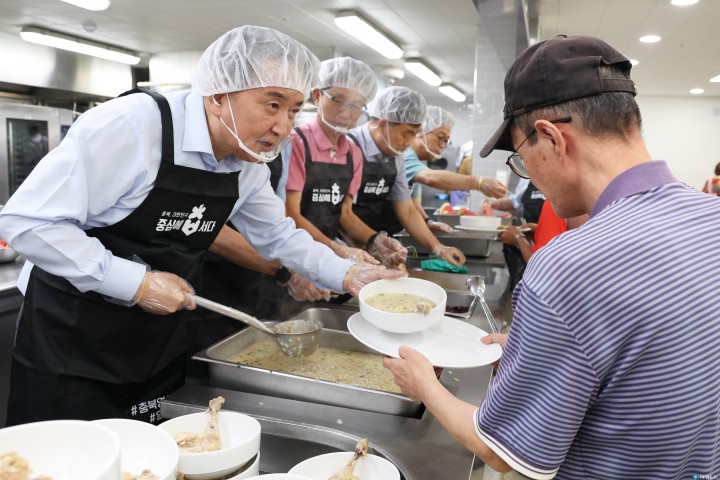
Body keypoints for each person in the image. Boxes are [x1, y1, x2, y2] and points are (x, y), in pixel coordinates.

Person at [0, 25, 402, 425]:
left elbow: (279, 236)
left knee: (158, 450)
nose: (284, 126)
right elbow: (28, 222)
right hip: (70, 339)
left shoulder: (247, 163)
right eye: (272, 105)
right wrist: (138, 284)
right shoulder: (134, 127)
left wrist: (348, 274)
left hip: (155, 342)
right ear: (218, 96)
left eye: (294, 110)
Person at [383, 34, 720, 478]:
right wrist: (545, 350)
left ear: (551, 137)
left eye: (522, 159)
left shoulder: (570, 266)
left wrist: (424, 385)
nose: (530, 178)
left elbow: (501, 452)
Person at [347, 87, 465, 267]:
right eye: (407, 133)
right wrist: (377, 242)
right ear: (383, 125)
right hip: (344, 247)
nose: (409, 142)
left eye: (415, 134)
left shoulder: (396, 156)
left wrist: (438, 247)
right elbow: (343, 214)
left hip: (373, 245)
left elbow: (407, 210)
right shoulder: (349, 147)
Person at [285, 57, 378, 264]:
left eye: (356, 105)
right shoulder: (296, 143)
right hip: (295, 254)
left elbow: (345, 214)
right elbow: (291, 213)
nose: (346, 112)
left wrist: (376, 240)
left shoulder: (353, 153)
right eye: (338, 100)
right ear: (317, 96)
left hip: (326, 256)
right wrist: (336, 249)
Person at [403, 105, 507, 233]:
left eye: (446, 140)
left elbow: (413, 201)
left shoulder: (416, 161)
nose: (442, 145)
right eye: (440, 137)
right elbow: (430, 177)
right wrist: (479, 183)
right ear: (421, 131)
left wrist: (427, 221)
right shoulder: (406, 155)